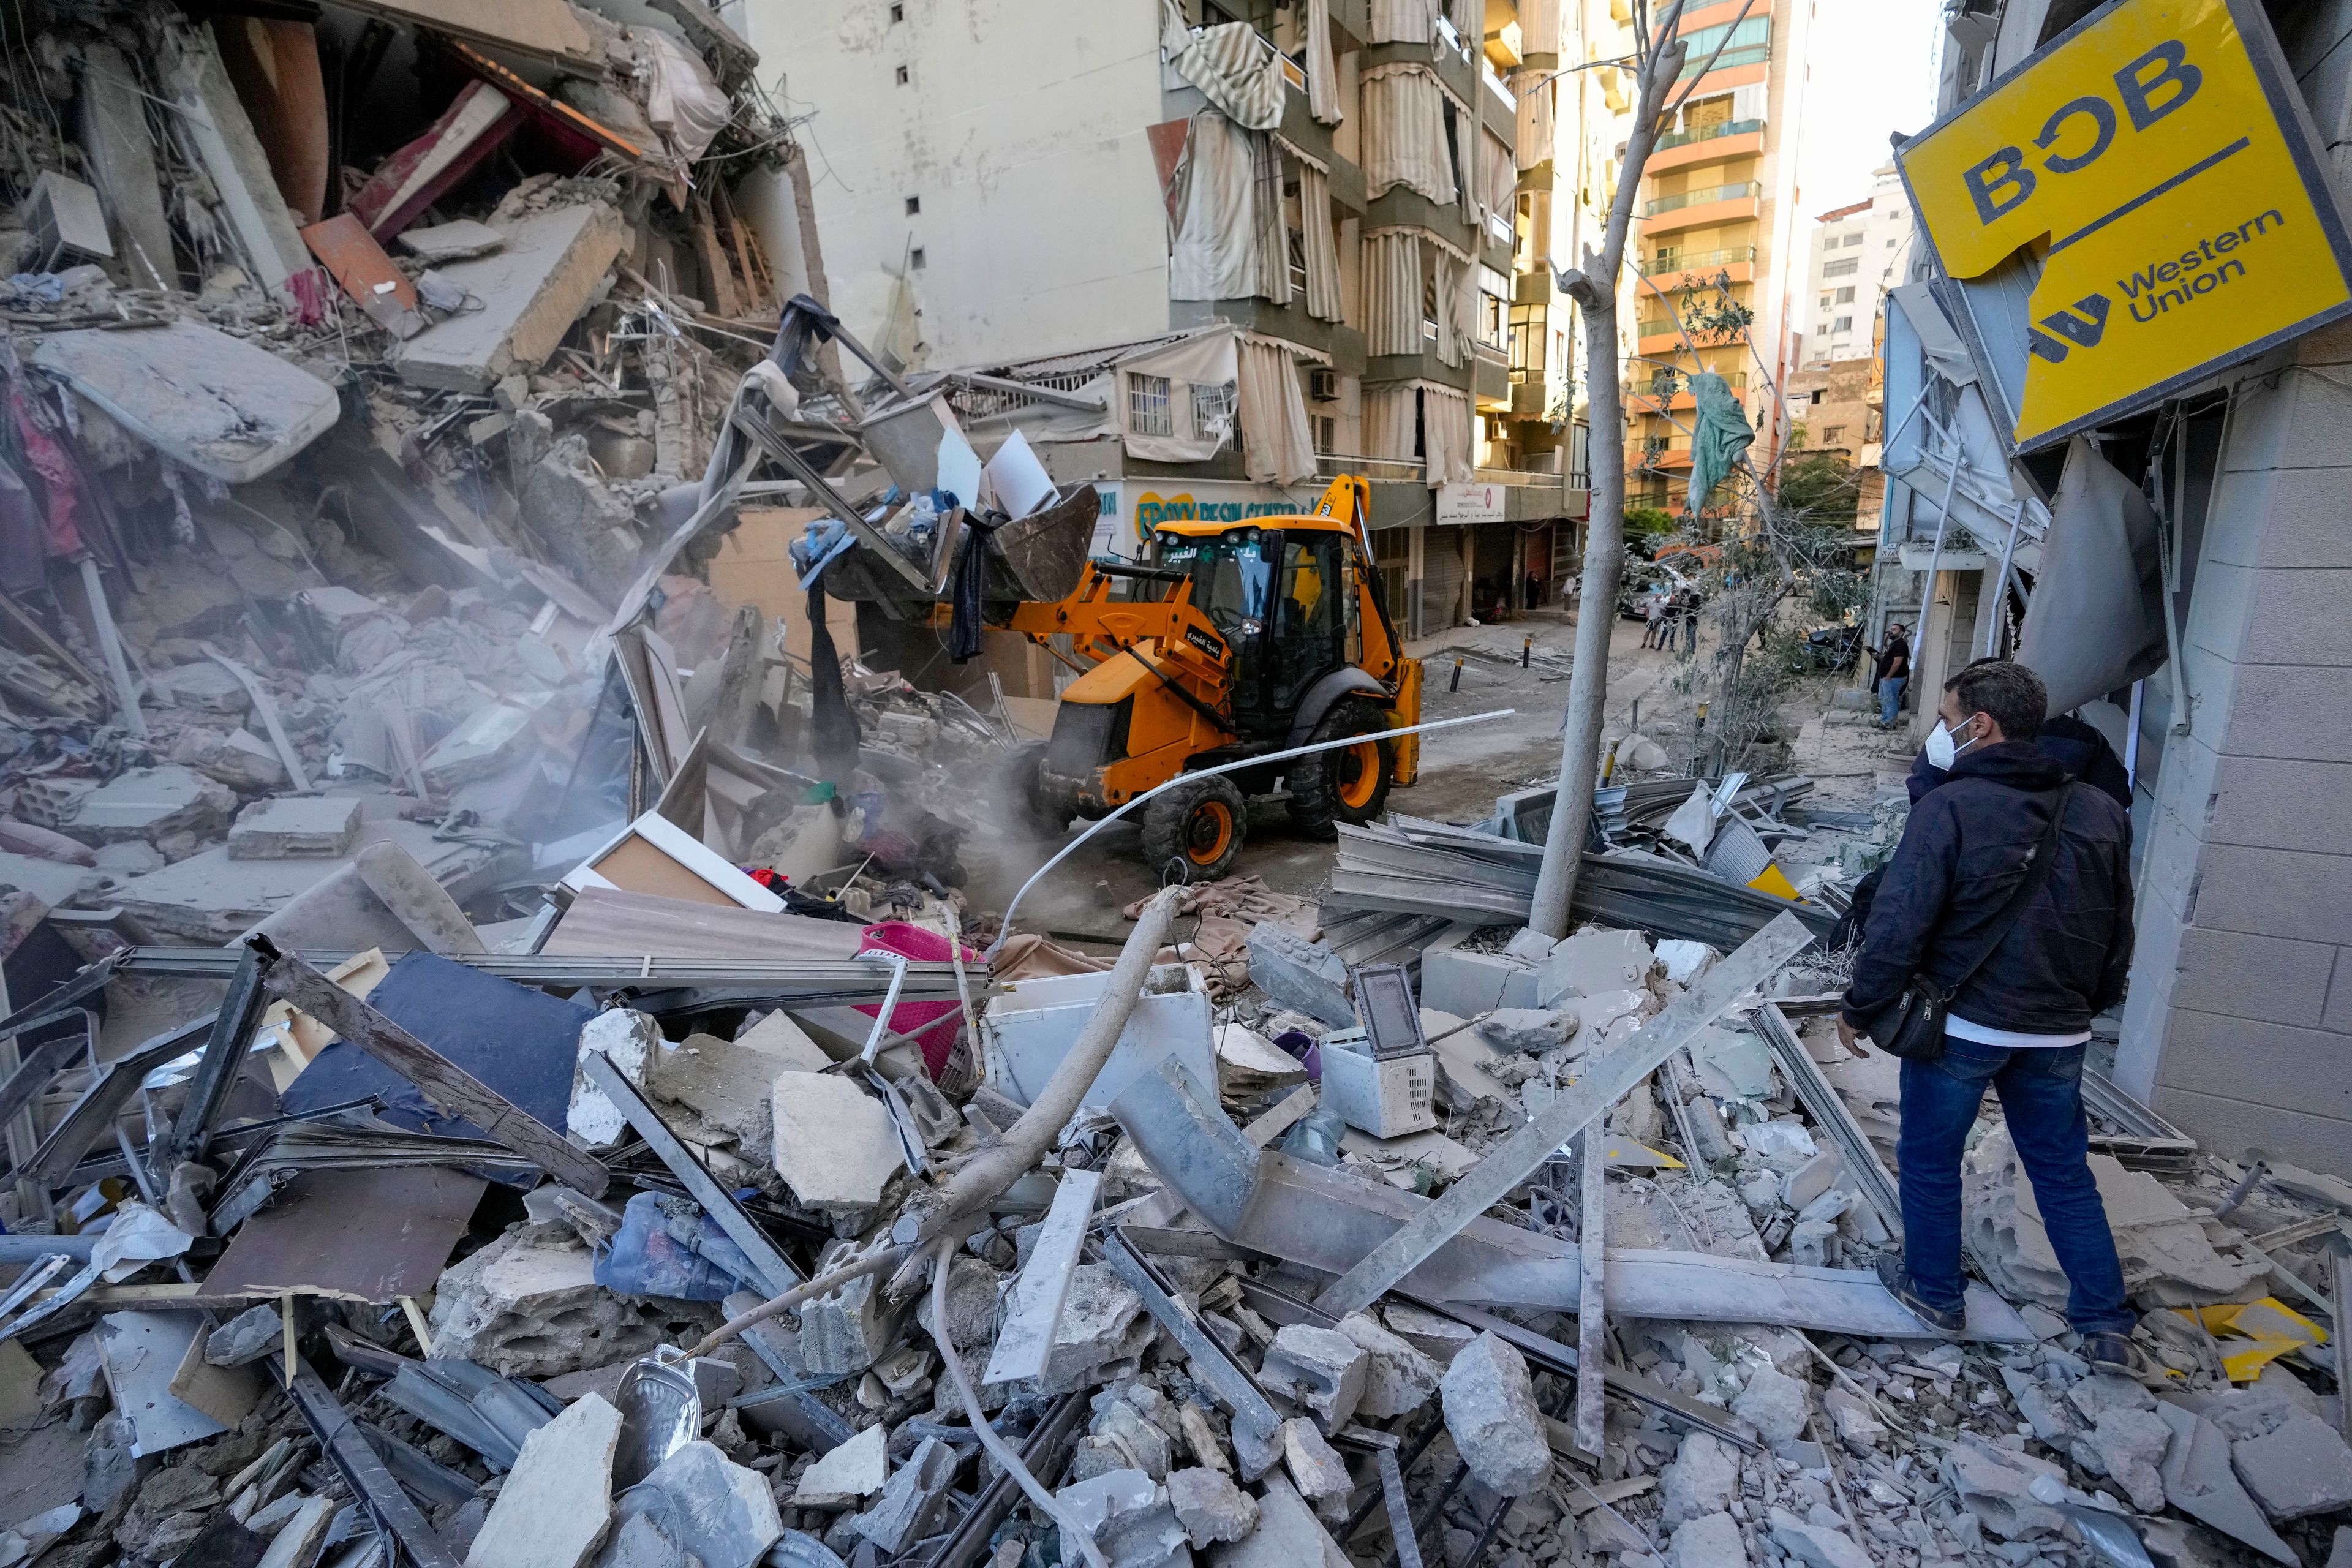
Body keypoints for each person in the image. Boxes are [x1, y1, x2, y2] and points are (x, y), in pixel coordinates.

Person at [1838, 660, 2141, 1370]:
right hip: (2060, 1032)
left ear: (1981, 725)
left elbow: (1899, 920)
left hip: (1963, 1029)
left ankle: (1935, 1293)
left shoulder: (1950, 807)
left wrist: (1862, 1006)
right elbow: (2118, 927)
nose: (1939, 735)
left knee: (1931, 1160)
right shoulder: (2101, 809)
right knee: (2064, 1172)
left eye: (1946, 721)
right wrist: (2085, 1007)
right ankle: (2106, 1323)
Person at [1866, 622, 1912, 727]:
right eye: (1891, 629)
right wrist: (1878, 657)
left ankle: (1891, 724)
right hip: (1886, 678)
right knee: (1884, 700)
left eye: (1894, 630)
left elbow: (1898, 662)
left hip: (1893, 678)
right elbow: (1888, 658)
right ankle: (1885, 721)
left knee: (1890, 700)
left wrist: (1889, 676)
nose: (1891, 632)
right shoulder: (1894, 644)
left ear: (1901, 633)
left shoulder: (1901, 644)